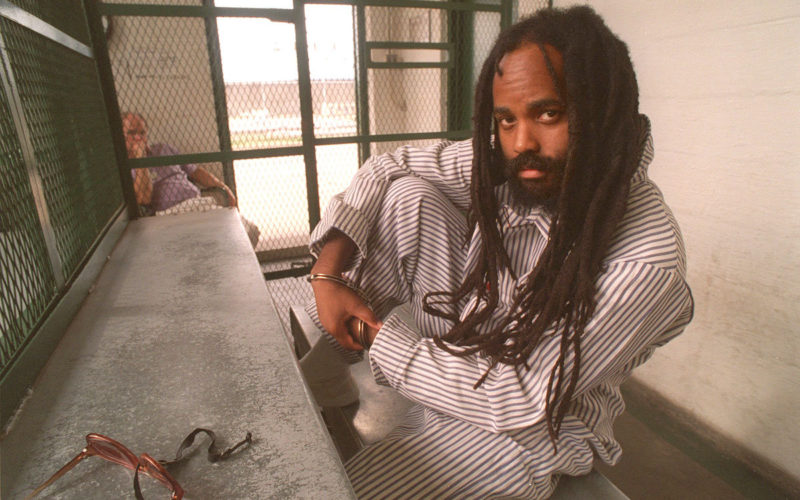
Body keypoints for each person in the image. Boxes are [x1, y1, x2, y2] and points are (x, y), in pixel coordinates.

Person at [306, 6, 694, 499]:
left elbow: (519, 395)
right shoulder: (519, 161)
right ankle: (328, 368)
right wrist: (328, 274)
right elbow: (387, 166)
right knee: (406, 196)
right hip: (470, 335)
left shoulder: (647, 258)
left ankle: (367, 356)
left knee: (351, 491)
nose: (521, 141)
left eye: (549, 113)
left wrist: (379, 338)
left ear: (601, 111)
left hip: (533, 425)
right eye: (505, 119)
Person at [122, 112, 260, 247]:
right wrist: (140, 158)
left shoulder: (162, 149)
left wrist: (224, 188)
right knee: (215, 241)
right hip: (169, 215)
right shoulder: (127, 168)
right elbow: (144, 198)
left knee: (250, 231)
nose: (138, 138)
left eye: (142, 133)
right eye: (132, 133)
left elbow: (196, 172)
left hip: (198, 204)